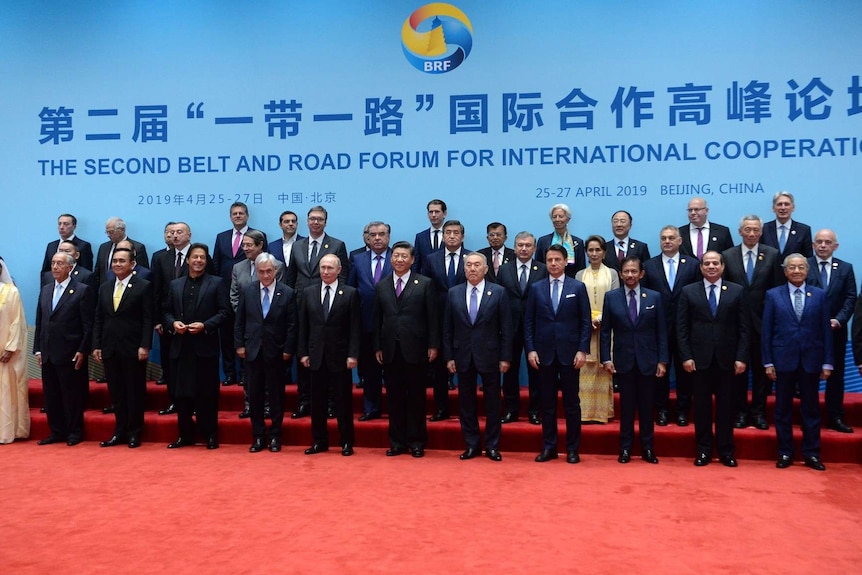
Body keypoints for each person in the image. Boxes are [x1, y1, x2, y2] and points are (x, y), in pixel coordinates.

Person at [677, 251, 750, 467]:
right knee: (701, 408)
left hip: (728, 361)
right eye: (706, 263)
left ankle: (726, 451)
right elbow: (681, 329)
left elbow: (745, 328)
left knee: (726, 408)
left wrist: (742, 357)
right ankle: (704, 450)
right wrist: (686, 356)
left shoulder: (737, 291)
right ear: (700, 268)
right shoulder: (688, 292)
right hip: (698, 361)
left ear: (722, 266)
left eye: (715, 263)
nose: (711, 266)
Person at [763, 254, 833, 471]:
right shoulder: (773, 295)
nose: (796, 271)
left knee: (811, 409)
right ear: (785, 271)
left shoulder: (820, 295)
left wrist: (827, 362)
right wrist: (767, 362)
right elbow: (767, 331)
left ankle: (812, 454)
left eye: (800, 267)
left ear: (807, 270)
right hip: (783, 361)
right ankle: (785, 452)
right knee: (782, 410)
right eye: (791, 267)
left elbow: (825, 332)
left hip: (811, 361)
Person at [525, 244, 592, 463]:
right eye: (550, 260)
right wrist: (531, 349)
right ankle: (549, 447)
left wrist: (583, 350)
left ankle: (573, 449)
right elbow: (529, 322)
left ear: (565, 262)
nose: (553, 263)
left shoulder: (578, 287)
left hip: (570, 353)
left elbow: (585, 322)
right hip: (544, 353)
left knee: (572, 403)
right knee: (547, 403)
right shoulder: (536, 288)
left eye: (557, 260)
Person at [443, 253, 512, 461]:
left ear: (486, 269)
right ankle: (471, 445)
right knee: (466, 403)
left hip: (490, 355)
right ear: (464, 269)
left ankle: (492, 446)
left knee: (492, 403)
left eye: (477, 265)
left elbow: (506, 328)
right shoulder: (453, 293)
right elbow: (447, 328)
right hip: (462, 355)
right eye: (469, 265)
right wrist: (449, 357)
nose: (472, 269)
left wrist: (505, 357)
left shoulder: (498, 292)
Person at [373, 241, 439, 458]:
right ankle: (397, 442)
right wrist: (378, 346)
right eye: (396, 256)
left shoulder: (425, 283)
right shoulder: (382, 285)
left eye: (404, 256)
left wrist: (433, 345)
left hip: (417, 349)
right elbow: (378, 319)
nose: (399, 260)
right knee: (394, 398)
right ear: (391, 259)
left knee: (416, 398)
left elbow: (432, 318)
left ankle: (417, 441)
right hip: (390, 349)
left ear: (412, 260)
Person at [600, 257, 667, 464]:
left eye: (634, 271)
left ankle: (648, 448)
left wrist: (662, 361)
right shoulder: (611, 297)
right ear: (620, 274)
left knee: (647, 408)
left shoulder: (654, 297)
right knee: (627, 409)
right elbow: (605, 332)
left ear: (641, 274)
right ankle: (625, 449)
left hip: (648, 360)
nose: (630, 275)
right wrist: (606, 358)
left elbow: (661, 332)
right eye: (626, 272)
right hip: (623, 361)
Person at [163, 243, 230, 449]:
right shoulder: (175, 284)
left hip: (205, 347)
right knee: (181, 395)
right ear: (188, 260)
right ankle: (185, 435)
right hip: (181, 347)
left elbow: (225, 312)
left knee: (207, 394)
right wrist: (173, 323)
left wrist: (206, 325)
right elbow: (166, 312)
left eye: (202, 257)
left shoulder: (217, 283)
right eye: (195, 257)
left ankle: (209, 434)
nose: (198, 261)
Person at [286, 205, 350, 419]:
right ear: (307, 221)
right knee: (304, 354)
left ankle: (331, 403)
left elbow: (343, 277)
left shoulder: (337, 245)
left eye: (320, 219)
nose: (315, 222)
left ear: (325, 222)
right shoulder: (297, 246)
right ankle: (305, 401)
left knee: (329, 356)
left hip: (329, 308)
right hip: (302, 306)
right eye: (312, 219)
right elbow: (291, 277)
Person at [721, 215, 783, 430]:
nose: (751, 233)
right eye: (747, 229)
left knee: (760, 373)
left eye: (756, 230)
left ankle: (758, 413)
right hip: (733, 326)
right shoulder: (727, 256)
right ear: (740, 232)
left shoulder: (773, 255)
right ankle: (739, 413)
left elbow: (777, 290)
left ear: (761, 232)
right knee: (737, 374)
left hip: (762, 325)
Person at [298, 254, 361, 456]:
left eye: (330, 268)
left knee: (343, 401)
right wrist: (303, 353)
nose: (325, 271)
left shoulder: (350, 293)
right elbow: (303, 326)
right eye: (323, 267)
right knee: (317, 402)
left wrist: (353, 354)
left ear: (339, 270)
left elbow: (355, 327)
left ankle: (346, 441)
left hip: (340, 357)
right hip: (316, 356)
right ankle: (319, 441)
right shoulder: (308, 292)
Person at [92, 247, 154, 448]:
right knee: (116, 393)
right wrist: (97, 345)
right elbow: (99, 318)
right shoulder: (105, 287)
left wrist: (145, 345)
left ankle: (135, 432)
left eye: (122, 261)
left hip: (133, 348)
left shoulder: (143, 286)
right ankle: (119, 431)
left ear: (132, 264)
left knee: (134, 392)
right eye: (115, 261)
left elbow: (147, 318)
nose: (117, 264)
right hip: (110, 348)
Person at [235, 253, 296, 453]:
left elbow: (291, 325)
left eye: (269, 271)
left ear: (276, 271)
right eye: (261, 271)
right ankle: (259, 436)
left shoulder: (287, 293)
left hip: (276, 352)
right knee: (255, 395)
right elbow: (240, 321)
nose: (266, 275)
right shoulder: (248, 290)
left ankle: (276, 436)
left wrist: (288, 349)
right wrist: (240, 345)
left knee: (277, 396)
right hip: (253, 351)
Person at [642, 225, 702, 427]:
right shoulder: (649, 266)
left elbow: (698, 297)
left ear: (679, 241)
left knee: (685, 373)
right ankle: (662, 411)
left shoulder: (693, 265)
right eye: (663, 238)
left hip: (686, 330)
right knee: (660, 374)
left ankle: (683, 411)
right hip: (658, 330)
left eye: (671, 238)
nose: (667, 241)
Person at [34, 252, 94, 446]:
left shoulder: (81, 290)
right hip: (48, 352)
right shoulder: (46, 289)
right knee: (51, 396)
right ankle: (56, 431)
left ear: (70, 267)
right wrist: (37, 349)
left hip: (70, 351)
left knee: (71, 395)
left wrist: (83, 350)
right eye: (53, 263)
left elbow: (87, 324)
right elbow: (40, 321)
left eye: (60, 263)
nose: (55, 267)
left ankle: (74, 432)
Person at [231, 229, 285, 419]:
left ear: (260, 245)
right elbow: (235, 296)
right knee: (250, 376)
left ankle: (270, 406)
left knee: (271, 376)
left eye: (248, 244)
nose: (245, 248)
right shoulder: (238, 268)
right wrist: (249, 314)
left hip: (272, 333)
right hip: (249, 328)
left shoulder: (276, 265)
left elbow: (281, 296)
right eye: (243, 244)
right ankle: (250, 406)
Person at [806, 229, 856, 433]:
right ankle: (809, 417)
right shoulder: (803, 266)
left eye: (828, 242)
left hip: (836, 332)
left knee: (835, 375)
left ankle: (835, 416)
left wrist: (839, 320)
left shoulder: (845, 268)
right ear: (813, 245)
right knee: (808, 375)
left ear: (835, 246)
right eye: (819, 242)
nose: (823, 245)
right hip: (808, 332)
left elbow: (850, 297)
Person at [421, 219, 471, 420]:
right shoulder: (432, 259)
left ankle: (466, 409)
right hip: (439, 318)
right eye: (448, 232)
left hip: (466, 319)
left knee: (467, 366)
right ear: (442, 235)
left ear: (462, 236)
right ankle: (441, 407)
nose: (451, 235)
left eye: (456, 232)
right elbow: (424, 288)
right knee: (441, 367)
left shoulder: (471, 258)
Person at [496, 231, 548, 424]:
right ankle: (511, 409)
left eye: (528, 245)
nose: (524, 249)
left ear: (534, 248)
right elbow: (499, 299)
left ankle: (534, 410)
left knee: (536, 371)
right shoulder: (504, 270)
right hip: (510, 328)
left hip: (536, 328)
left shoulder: (542, 269)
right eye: (520, 245)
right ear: (514, 247)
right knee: (510, 370)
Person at [347, 221, 392, 421]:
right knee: (370, 371)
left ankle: (394, 408)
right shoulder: (358, 259)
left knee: (393, 371)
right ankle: (371, 408)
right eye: (373, 234)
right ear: (367, 237)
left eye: (381, 234)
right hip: (365, 323)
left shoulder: (398, 257)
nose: (377, 238)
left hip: (392, 325)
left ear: (388, 236)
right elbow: (350, 291)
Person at [212, 202, 257, 387]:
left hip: (247, 294)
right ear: (230, 216)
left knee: (246, 335)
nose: (237, 216)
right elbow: (216, 264)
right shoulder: (221, 237)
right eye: (234, 213)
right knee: (227, 335)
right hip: (224, 293)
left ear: (247, 216)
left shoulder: (255, 235)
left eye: (241, 213)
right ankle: (230, 373)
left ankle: (245, 373)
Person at [575, 235, 618, 423]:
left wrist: (600, 319)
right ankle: (584, 412)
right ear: (586, 252)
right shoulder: (579, 275)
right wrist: (588, 321)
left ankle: (602, 413)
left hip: (606, 326)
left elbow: (615, 300)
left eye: (597, 250)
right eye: (590, 250)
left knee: (603, 367)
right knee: (585, 368)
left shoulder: (613, 274)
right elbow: (576, 302)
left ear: (604, 252)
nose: (594, 253)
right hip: (585, 328)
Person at [0, 258, 29, 444]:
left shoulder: (11, 292)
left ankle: (6, 430)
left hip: (4, 353)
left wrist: (10, 347)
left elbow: (17, 322)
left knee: (5, 392)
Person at [95, 217, 149, 286]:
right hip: (106, 290)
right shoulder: (103, 247)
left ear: (122, 230)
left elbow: (142, 273)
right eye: (107, 232)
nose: (108, 235)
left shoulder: (137, 247)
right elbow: (98, 272)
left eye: (111, 232)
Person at [535, 204, 586, 276]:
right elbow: (539, 267)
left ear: (568, 219)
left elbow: (580, 269)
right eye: (554, 217)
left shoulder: (578, 242)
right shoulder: (543, 241)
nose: (557, 219)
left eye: (561, 216)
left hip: (571, 283)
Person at [761, 191, 813, 259]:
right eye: (779, 204)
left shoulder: (804, 230)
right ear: (773, 208)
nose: (783, 208)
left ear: (793, 207)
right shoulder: (764, 229)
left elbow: (808, 258)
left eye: (786, 204)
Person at [412, 198, 448, 273]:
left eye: (437, 212)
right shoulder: (420, 237)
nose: (433, 215)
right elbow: (416, 263)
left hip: (445, 281)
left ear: (444, 214)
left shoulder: (452, 236)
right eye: (431, 212)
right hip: (425, 281)